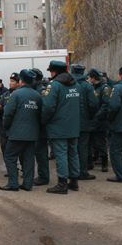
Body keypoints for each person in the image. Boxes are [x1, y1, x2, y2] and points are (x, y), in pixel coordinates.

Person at [0, 69, 42, 191]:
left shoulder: (16, 94)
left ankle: (13, 183)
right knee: (28, 158)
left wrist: (6, 126)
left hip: (16, 133)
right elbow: (40, 114)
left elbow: (8, 113)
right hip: (32, 133)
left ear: (21, 80)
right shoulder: (37, 95)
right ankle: (28, 184)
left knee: (9, 156)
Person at [41, 60, 81, 194]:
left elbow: (48, 107)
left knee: (61, 154)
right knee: (73, 153)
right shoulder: (76, 84)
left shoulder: (55, 85)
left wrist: (43, 121)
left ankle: (62, 183)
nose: (50, 73)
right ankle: (74, 181)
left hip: (58, 126)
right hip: (74, 126)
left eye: (51, 71)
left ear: (55, 71)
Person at [71, 64, 99, 181]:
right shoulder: (87, 86)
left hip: (70, 122)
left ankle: (72, 172)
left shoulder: (68, 84)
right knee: (83, 147)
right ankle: (82, 172)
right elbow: (93, 104)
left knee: (71, 148)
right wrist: (90, 116)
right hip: (84, 122)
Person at [87, 68, 111, 172]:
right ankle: (92, 160)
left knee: (101, 142)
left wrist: (97, 116)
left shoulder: (104, 88)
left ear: (93, 78)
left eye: (89, 77)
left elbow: (106, 105)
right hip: (92, 120)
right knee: (91, 142)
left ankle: (104, 163)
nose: (88, 79)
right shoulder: (91, 87)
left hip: (101, 120)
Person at [31, 68, 50, 186]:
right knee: (38, 152)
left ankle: (43, 177)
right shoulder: (35, 89)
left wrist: (40, 123)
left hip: (40, 127)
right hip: (36, 126)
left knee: (41, 153)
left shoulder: (41, 91)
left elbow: (45, 110)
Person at [0, 72, 20, 157]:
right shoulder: (5, 95)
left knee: (19, 152)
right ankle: (11, 169)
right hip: (5, 128)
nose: (10, 83)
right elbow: (0, 111)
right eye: (10, 81)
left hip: (17, 127)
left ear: (19, 83)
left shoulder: (21, 94)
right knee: (5, 149)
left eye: (13, 81)